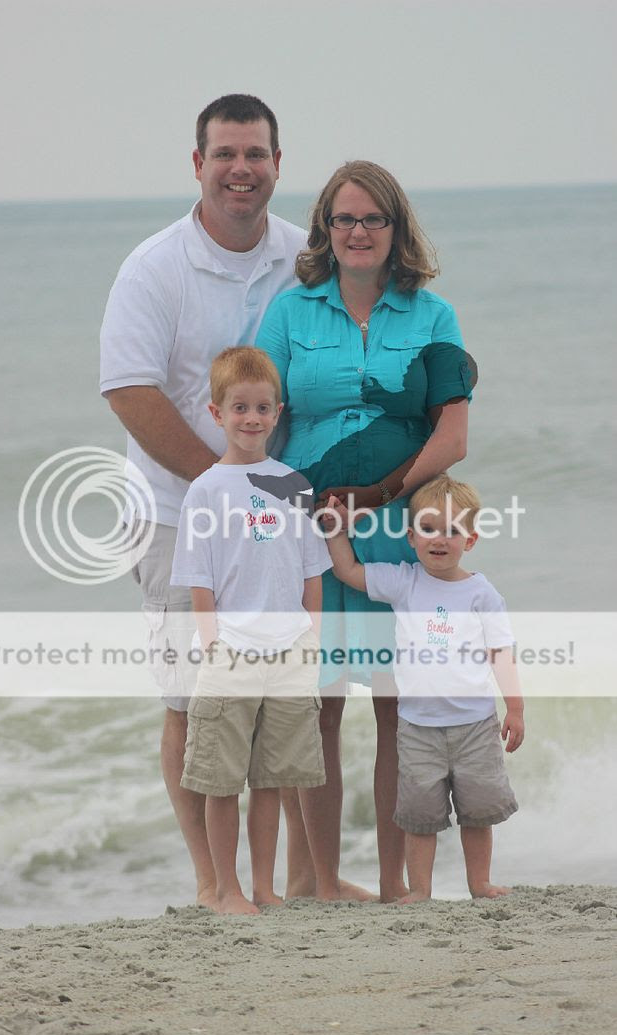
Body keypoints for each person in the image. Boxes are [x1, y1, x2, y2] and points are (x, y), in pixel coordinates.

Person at [99, 94, 306, 910]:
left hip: (274, 522)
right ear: (197, 164)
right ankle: (213, 884)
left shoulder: (302, 255)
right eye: (224, 154)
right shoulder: (153, 267)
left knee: (278, 699)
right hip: (170, 513)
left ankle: (294, 879)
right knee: (193, 701)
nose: (240, 169)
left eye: (254, 154)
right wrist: (225, 480)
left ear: (277, 165)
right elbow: (128, 389)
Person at [256, 160, 476, 902]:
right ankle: (322, 885)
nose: (357, 231)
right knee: (316, 708)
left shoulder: (433, 317)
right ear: (325, 228)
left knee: (396, 709)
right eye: (343, 218)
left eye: (372, 218)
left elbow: (451, 437)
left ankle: (393, 886)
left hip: (397, 531)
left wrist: (379, 493)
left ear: (395, 227)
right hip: (309, 532)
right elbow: (261, 420)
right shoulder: (289, 314)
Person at [170, 346, 331, 914]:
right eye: (239, 408)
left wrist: (312, 640)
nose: (252, 418)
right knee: (221, 781)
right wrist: (212, 645)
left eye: (263, 408)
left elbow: (312, 573)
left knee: (272, 780)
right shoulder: (206, 490)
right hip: (230, 656)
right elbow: (199, 580)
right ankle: (227, 889)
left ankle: (264, 887)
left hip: (289, 654)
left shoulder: (293, 485)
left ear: (278, 412)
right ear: (217, 413)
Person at [322, 474, 524, 903]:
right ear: (412, 538)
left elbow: (501, 652)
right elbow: (348, 571)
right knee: (420, 816)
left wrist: (516, 708)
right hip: (416, 727)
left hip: (475, 725)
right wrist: (336, 532)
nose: (439, 539)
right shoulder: (405, 581)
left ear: (470, 540)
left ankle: (479, 883)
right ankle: (420, 890)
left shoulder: (481, 594)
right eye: (429, 529)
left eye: (451, 530)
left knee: (477, 813)